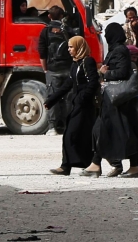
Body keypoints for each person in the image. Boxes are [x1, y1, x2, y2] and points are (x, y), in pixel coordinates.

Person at [83, 23, 138, 178]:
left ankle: (101, 165)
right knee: (106, 130)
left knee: (109, 130)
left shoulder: (120, 50)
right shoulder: (116, 50)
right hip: (114, 101)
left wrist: (105, 73)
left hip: (118, 101)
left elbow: (122, 72)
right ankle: (105, 164)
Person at [45, 36, 100, 175]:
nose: (69, 50)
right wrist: (52, 100)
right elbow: (68, 85)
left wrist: (82, 97)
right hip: (77, 104)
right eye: (69, 47)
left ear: (79, 47)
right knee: (74, 134)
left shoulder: (88, 62)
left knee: (73, 134)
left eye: (71, 47)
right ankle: (67, 166)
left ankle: (85, 165)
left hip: (85, 105)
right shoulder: (75, 64)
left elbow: (93, 82)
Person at [37, 6, 73, 135]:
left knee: (52, 97)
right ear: (62, 16)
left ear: (49, 16)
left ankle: (52, 127)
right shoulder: (68, 30)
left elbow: (42, 52)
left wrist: (45, 69)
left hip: (53, 69)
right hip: (68, 68)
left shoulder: (45, 31)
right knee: (69, 97)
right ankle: (68, 125)